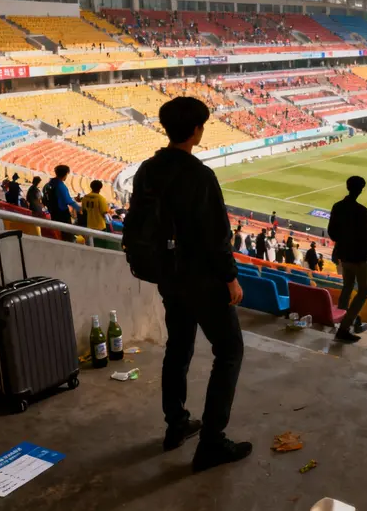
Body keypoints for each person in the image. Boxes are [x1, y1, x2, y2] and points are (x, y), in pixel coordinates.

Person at [129, 97, 250, 471]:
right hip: (202, 279)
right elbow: (217, 236)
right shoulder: (199, 176)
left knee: (178, 348)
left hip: (169, 276)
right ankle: (212, 442)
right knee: (229, 352)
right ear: (196, 130)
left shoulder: (147, 169)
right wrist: (230, 278)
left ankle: (176, 425)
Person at [328, 175, 367, 343]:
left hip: (344, 256)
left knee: (348, 286)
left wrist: (343, 242)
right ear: (360, 190)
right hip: (358, 258)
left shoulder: (337, 207)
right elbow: (366, 236)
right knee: (363, 290)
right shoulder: (361, 210)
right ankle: (344, 327)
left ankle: (342, 318)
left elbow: (332, 233)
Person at [43, 165, 79, 241]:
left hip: (53, 212)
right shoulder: (60, 186)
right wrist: (79, 208)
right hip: (62, 214)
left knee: (57, 232)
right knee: (66, 235)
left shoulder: (49, 184)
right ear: (65, 174)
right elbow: (68, 201)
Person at [80, 180, 113, 247]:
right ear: (100, 188)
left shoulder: (85, 197)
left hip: (89, 225)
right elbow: (104, 212)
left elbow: (83, 210)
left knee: (90, 244)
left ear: (91, 187)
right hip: (99, 226)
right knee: (100, 245)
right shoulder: (101, 199)